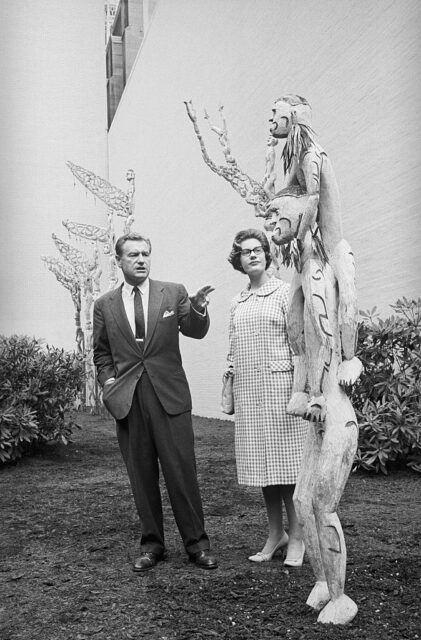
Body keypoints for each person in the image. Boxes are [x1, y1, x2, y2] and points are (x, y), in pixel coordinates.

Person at [93, 232, 218, 572]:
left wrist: (199, 307)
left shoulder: (172, 292)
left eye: (145, 253)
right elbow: (101, 354)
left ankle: (197, 546)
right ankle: (152, 546)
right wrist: (108, 384)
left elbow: (194, 329)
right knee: (142, 475)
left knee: (182, 473)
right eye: (133, 255)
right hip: (129, 400)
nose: (141, 260)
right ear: (119, 260)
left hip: (170, 396)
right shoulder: (105, 304)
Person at [226, 228, 307, 566]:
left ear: (268, 254)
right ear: (239, 260)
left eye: (258, 249)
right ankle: (276, 534)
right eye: (246, 251)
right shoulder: (237, 302)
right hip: (249, 393)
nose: (253, 255)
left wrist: (300, 391)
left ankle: (299, 537)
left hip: (280, 391)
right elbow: (232, 350)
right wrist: (228, 385)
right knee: (263, 468)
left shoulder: (287, 293)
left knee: (287, 470)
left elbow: (300, 346)